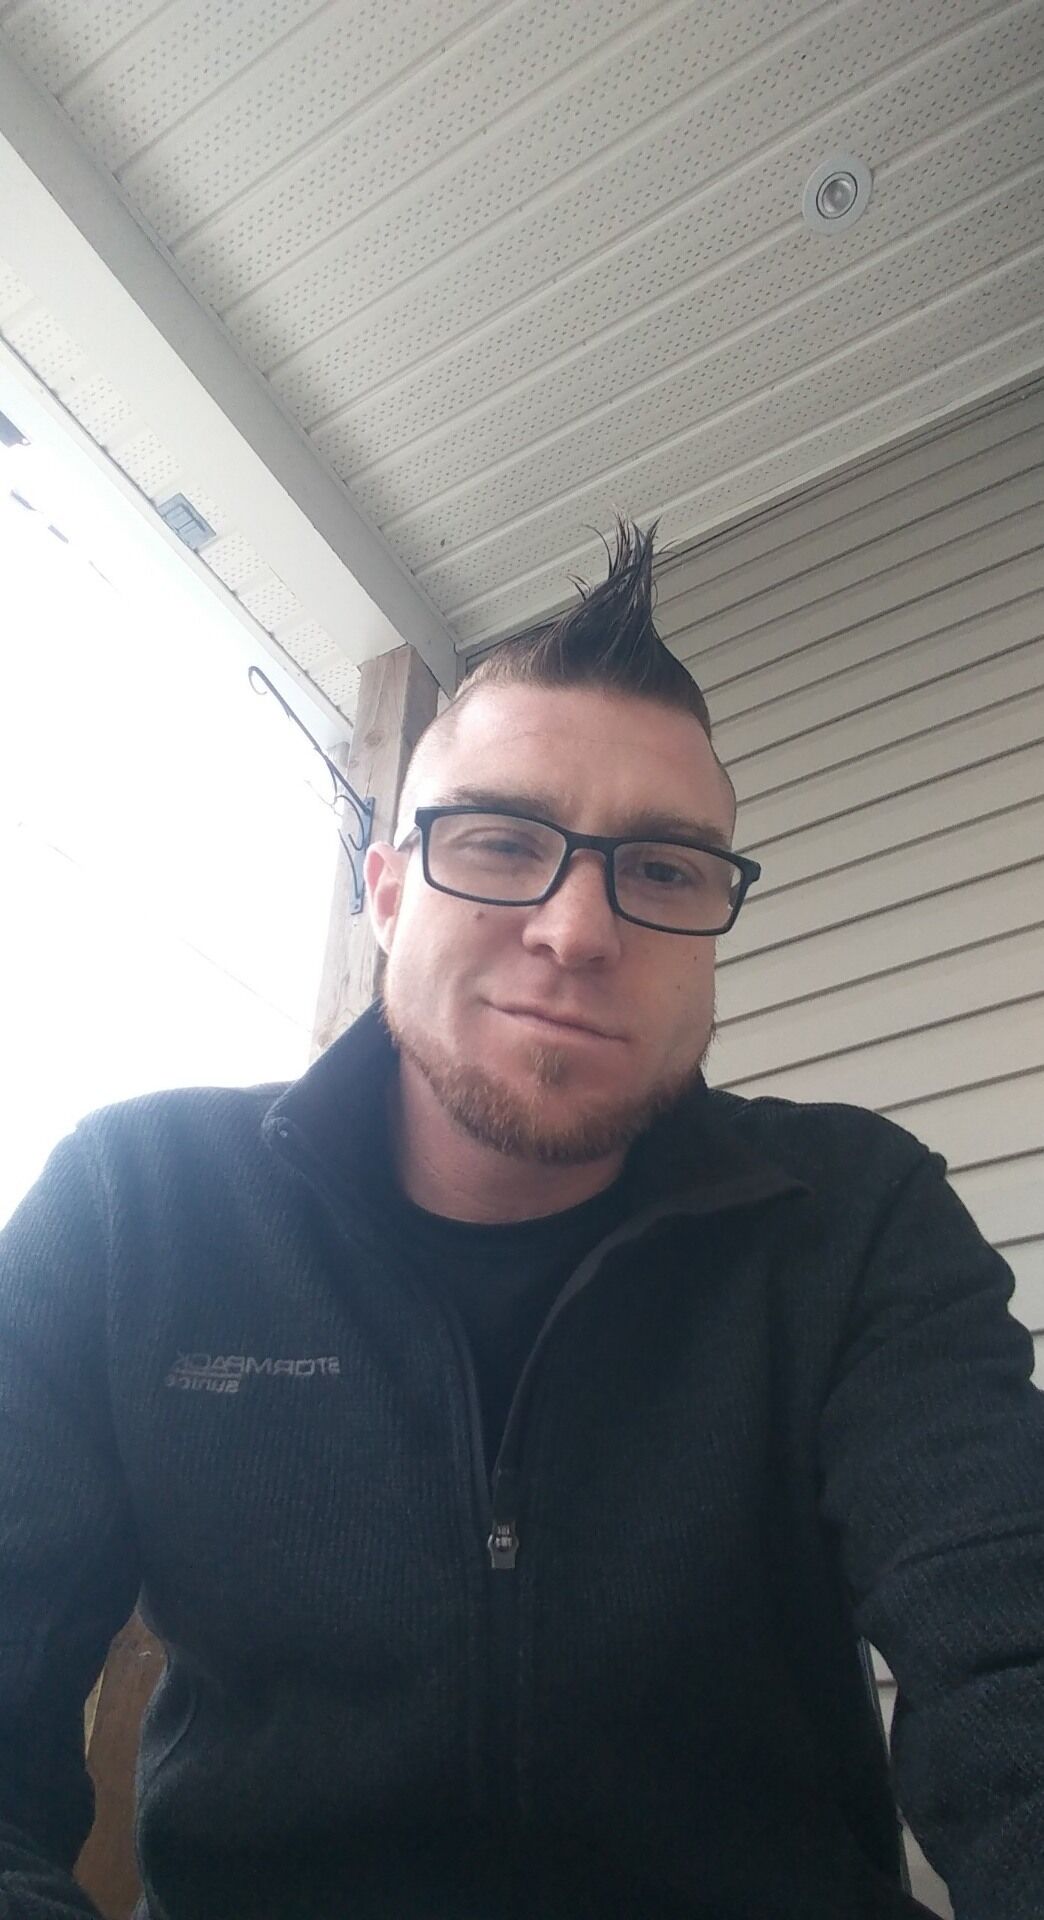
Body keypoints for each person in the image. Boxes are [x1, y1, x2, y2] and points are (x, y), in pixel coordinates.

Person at [0, 518, 1040, 1920]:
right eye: (498, 843)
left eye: (662, 871)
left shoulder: (853, 1217)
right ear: (387, 893)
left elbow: (1012, 1643)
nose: (578, 929)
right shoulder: (135, 1209)